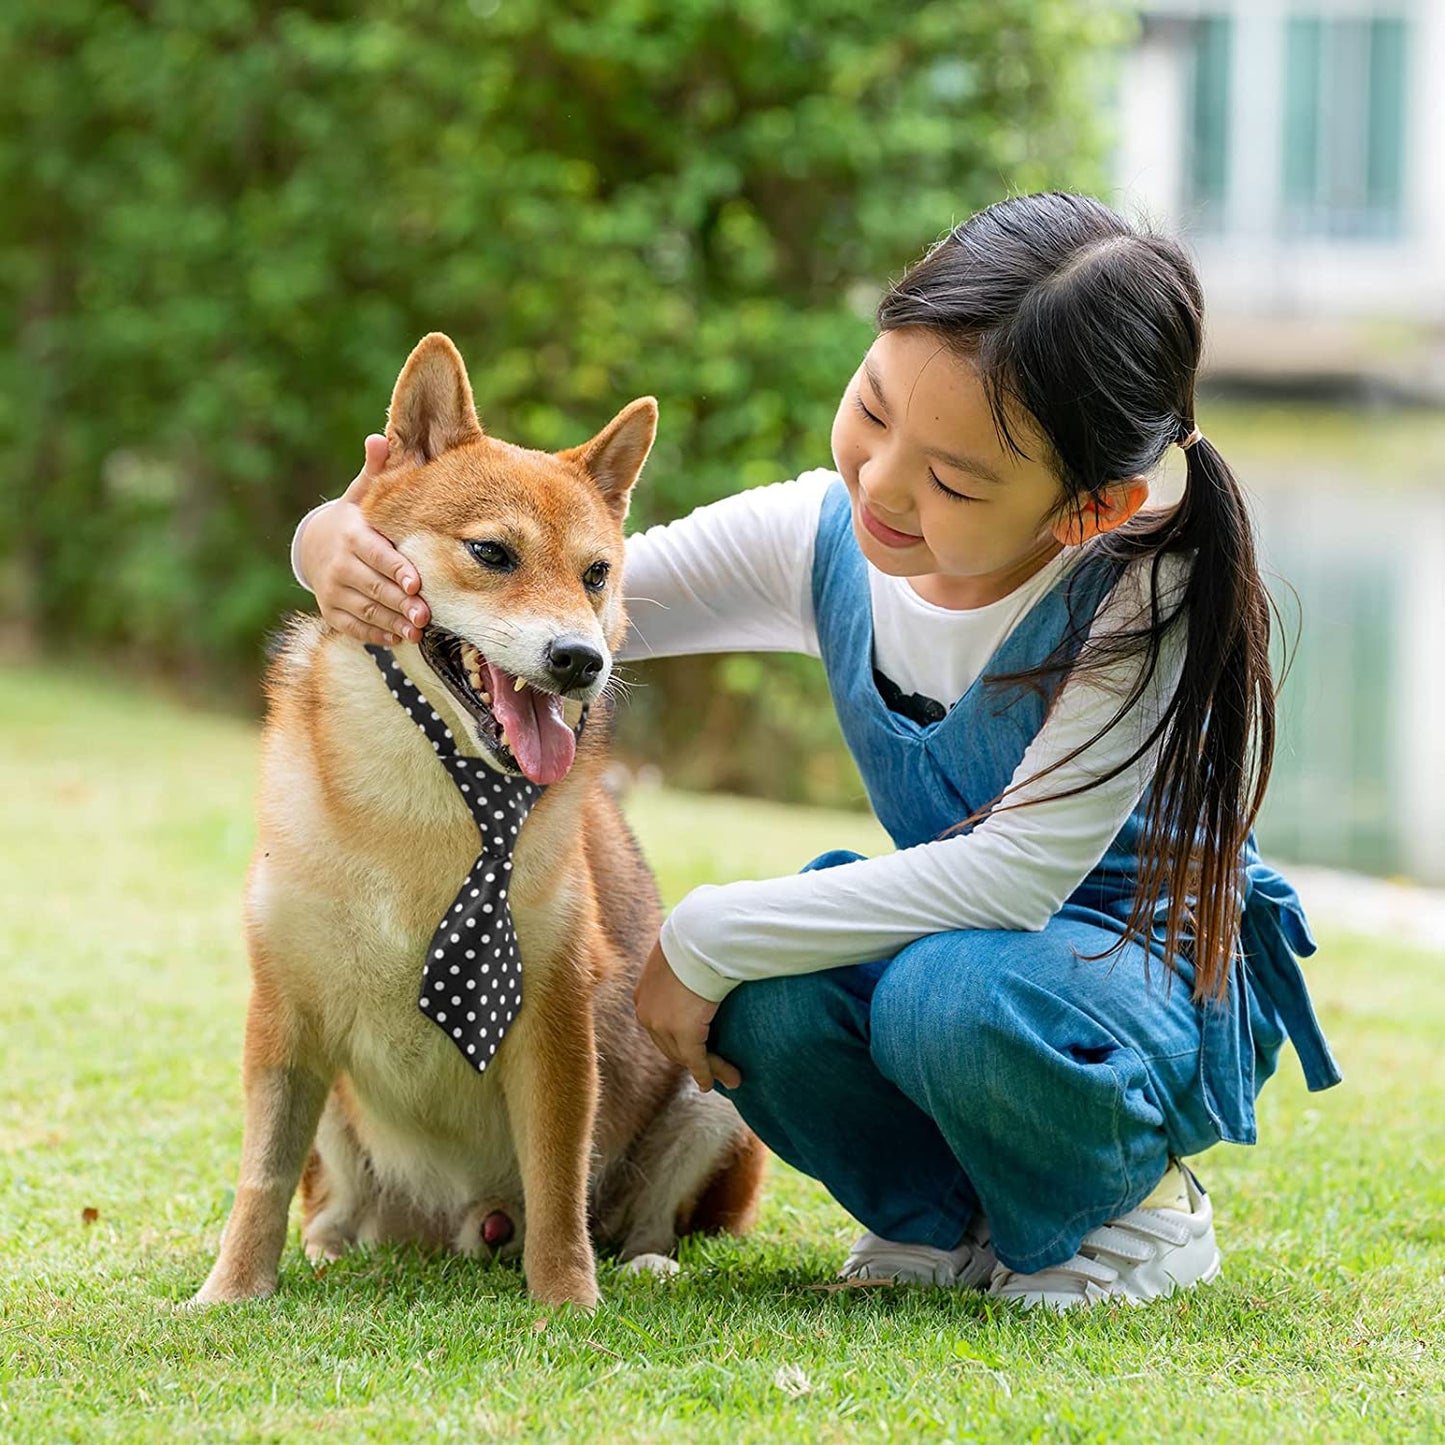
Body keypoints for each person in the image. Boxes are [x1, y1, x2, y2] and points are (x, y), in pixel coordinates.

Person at [289, 191, 1340, 1311]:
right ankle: (934, 1217)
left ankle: (1133, 1208)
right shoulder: (817, 532)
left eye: (954, 478)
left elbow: (1016, 873)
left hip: (1115, 974)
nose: (881, 482)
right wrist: (329, 544)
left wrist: (703, 929)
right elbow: (553, 596)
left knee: (930, 994)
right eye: (873, 409)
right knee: (771, 1002)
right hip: (960, 944)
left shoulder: (1139, 595)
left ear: (1086, 510)